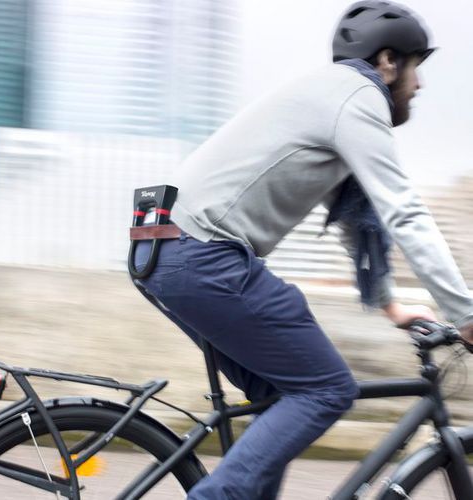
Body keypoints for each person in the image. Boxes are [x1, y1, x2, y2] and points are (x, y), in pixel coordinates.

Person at [133, 1, 473, 498]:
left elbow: (360, 221)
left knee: (280, 395)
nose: (419, 85)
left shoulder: (331, 95)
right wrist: (465, 313)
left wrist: (391, 306)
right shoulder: (358, 96)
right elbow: (404, 212)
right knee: (327, 388)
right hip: (203, 255)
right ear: (387, 61)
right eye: (416, 67)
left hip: (163, 249)